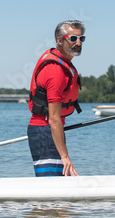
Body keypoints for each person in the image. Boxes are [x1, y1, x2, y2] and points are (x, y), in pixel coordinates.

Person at [27, 20, 85, 177]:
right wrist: (65, 156)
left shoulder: (63, 63)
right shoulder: (55, 71)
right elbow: (53, 118)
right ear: (60, 40)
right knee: (52, 193)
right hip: (44, 133)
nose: (78, 42)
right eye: (73, 38)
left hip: (49, 132)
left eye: (81, 38)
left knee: (58, 190)